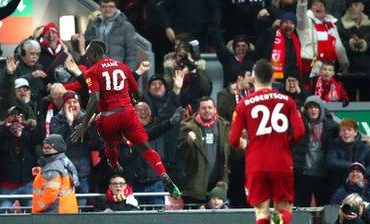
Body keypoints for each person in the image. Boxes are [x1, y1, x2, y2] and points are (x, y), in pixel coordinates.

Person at [71, 40, 180, 199]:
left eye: (88, 56)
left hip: (109, 116)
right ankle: (163, 174)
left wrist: (83, 124)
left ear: (94, 54)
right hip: (127, 112)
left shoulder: (92, 71)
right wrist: (133, 102)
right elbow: (136, 91)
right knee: (146, 148)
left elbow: (94, 99)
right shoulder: (123, 67)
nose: (87, 59)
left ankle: (115, 165)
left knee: (110, 144)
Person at [228, 59, 305, 224]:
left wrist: (247, 144)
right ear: (272, 77)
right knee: (284, 208)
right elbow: (299, 132)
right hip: (281, 161)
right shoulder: (287, 101)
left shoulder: (243, 104)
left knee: (261, 212)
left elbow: (233, 139)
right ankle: (279, 221)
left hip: (256, 162)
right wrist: (283, 145)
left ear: (253, 77)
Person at [176, 97, 233, 205]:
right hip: (196, 186)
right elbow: (180, 154)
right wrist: (188, 142)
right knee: (196, 221)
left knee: (220, 221)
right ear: (198, 110)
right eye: (204, 108)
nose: (207, 110)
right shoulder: (187, 127)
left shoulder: (224, 126)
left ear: (215, 109)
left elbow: (231, 153)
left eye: (210, 107)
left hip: (218, 185)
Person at [292, 96, 338, 207]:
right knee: (301, 208)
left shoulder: (331, 125)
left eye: (316, 107)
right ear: (305, 110)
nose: (313, 110)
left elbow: (349, 130)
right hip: (303, 173)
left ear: (321, 108)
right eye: (310, 108)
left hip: (323, 174)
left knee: (323, 207)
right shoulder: (298, 124)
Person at [32, 134, 79, 214]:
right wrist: (41, 172)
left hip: (54, 213)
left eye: (49, 148)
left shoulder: (52, 167)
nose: (45, 150)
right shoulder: (64, 161)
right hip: (67, 209)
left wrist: (38, 208)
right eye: (44, 147)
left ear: (58, 148)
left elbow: (51, 192)